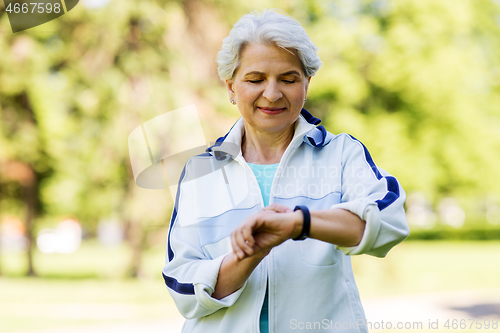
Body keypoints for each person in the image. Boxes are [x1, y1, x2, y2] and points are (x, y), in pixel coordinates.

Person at [162, 9, 409, 333]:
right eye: (255, 79)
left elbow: (389, 221)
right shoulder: (200, 171)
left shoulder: (342, 154)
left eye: (289, 79)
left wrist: (298, 222)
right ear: (231, 87)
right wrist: (253, 252)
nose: (273, 93)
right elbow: (185, 288)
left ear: (307, 84)